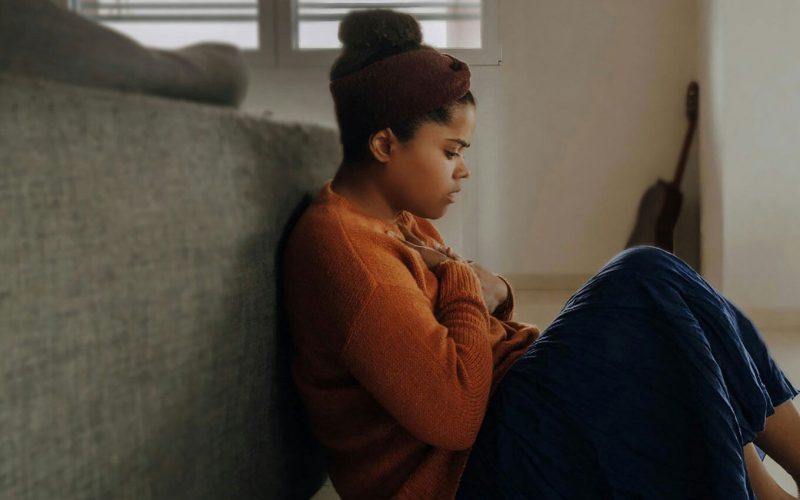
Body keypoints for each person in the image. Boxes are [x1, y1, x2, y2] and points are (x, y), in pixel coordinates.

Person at [281, 8, 800, 500]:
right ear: (383, 145)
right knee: (645, 276)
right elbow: (454, 416)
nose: (462, 170)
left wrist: (497, 291)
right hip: (466, 475)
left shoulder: (397, 220)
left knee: (667, 325)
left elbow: (469, 321)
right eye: (450, 152)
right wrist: (463, 278)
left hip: (503, 416)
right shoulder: (349, 257)